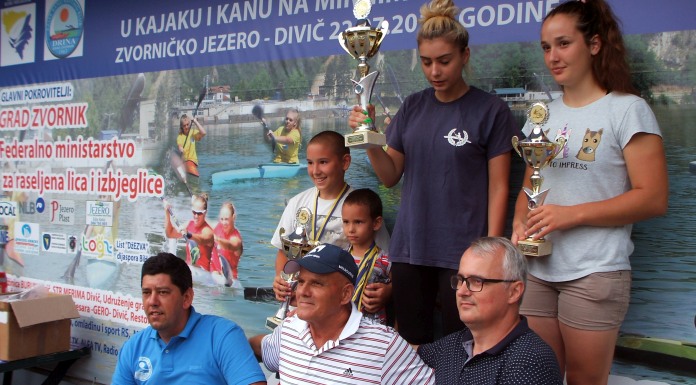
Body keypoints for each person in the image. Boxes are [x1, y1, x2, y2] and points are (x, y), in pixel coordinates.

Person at [511, 1, 668, 384]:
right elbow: (530, 186)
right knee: (541, 377)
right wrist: (519, 223)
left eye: (563, 43)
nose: (553, 56)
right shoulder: (543, 114)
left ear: (594, 44)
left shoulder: (627, 110)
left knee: (584, 380)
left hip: (594, 272)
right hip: (538, 270)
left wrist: (572, 214)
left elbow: (653, 197)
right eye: (546, 47)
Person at [348, 0, 519, 345]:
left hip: (465, 253)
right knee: (413, 344)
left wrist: (493, 252)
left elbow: (499, 188)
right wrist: (369, 140)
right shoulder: (413, 106)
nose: (435, 71)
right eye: (426, 62)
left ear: (465, 55)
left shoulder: (491, 111)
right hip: (411, 250)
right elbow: (390, 175)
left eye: (444, 61)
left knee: (464, 346)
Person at [250, 244, 434, 384]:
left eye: (316, 283)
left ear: (345, 294)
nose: (302, 292)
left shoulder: (383, 344)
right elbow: (260, 349)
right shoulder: (288, 331)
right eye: (301, 281)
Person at [417, 237, 563, 384]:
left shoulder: (530, 364)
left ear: (514, 292)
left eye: (477, 281)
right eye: (460, 280)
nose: (462, 291)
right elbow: (402, 351)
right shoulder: (454, 344)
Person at [270, 131, 390, 302]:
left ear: (345, 162)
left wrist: (388, 290)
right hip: (300, 301)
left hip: (342, 301)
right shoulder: (297, 203)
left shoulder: (361, 206)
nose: (316, 171)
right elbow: (283, 251)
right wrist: (281, 279)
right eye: (310, 163)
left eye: (323, 162)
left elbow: (385, 256)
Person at [112, 252, 266, 385]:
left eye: (163, 292)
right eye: (146, 293)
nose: (152, 301)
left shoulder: (222, 336)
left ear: (186, 297)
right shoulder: (133, 348)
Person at [342, 188, 392, 324]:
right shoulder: (340, 259)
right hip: (342, 328)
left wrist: (389, 292)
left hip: (374, 333)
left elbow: (399, 292)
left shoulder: (386, 261)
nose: (351, 229)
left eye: (358, 222)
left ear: (376, 223)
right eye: (346, 222)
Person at [164, 194, 214, 271]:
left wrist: (188, 234)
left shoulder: (208, 231)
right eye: (194, 212)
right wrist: (167, 212)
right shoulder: (189, 224)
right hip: (189, 269)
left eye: (199, 213)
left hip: (203, 273)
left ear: (205, 213)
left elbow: (201, 239)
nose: (196, 216)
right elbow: (169, 234)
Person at [210, 202, 243, 284]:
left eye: (226, 219)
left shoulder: (236, 238)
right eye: (221, 219)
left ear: (233, 217)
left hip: (229, 281)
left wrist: (217, 239)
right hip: (213, 273)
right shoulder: (217, 227)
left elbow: (230, 245)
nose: (223, 223)